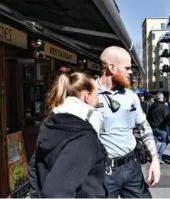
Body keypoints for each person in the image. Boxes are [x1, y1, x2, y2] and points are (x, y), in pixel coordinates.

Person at [28, 70, 107, 198]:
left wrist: (36, 195)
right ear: (87, 96)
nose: (99, 100)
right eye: (97, 95)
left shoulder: (50, 124)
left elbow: (33, 167)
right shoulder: (84, 137)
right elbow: (55, 193)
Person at [96, 46, 160, 198]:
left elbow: (144, 127)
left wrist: (155, 159)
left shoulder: (131, 96)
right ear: (111, 67)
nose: (130, 72)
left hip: (132, 167)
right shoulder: (88, 94)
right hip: (103, 172)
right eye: (127, 68)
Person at [147, 92, 170, 164]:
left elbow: (148, 117)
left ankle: (152, 156)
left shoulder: (152, 106)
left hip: (153, 127)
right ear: (162, 98)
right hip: (161, 127)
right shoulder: (164, 106)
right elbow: (167, 118)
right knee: (165, 141)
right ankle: (159, 155)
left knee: (154, 142)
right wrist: (169, 125)